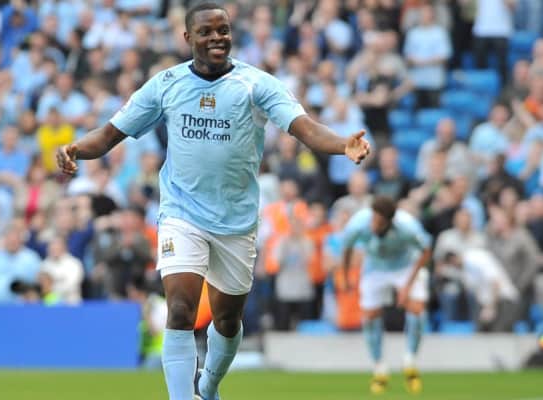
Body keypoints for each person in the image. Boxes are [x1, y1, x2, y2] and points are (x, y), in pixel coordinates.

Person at [56, 3, 370, 399]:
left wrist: (342, 144)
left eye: (223, 30)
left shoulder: (256, 84)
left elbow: (305, 129)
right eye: (206, 32)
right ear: (188, 38)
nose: (217, 38)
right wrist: (76, 150)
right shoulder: (166, 84)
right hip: (181, 213)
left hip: (236, 221)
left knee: (227, 320)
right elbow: (109, 135)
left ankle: (209, 385)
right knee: (180, 308)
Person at [342, 196, 431, 395]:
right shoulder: (358, 224)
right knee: (369, 316)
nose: (374, 225)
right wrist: (346, 277)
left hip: (405, 266)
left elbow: (426, 251)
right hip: (374, 267)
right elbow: (347, 248)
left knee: (417, 310)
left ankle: (410, 360)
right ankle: (379, 368)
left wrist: (407, 287)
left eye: (379, 222)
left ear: (390, 221)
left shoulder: (407, 227)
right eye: (373, 219)